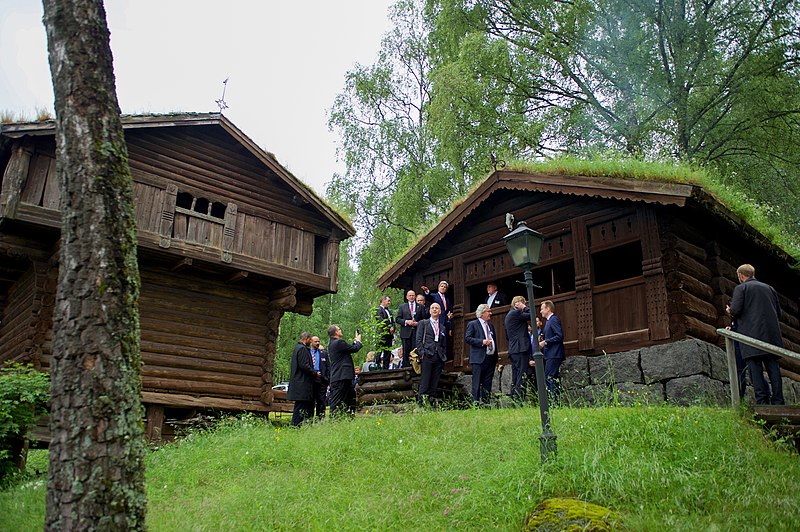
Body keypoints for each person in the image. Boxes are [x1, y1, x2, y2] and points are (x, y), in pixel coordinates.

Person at [728, 264, 784, 405]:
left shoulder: (741, 288)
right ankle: (778, 400)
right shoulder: (769, 289)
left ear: (741, 275)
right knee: (773, 368)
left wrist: (730, 311)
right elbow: (779, 313)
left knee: (755, 369)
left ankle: (762, 401)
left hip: (751, 336)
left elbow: (736, 310)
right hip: (771, 336)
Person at [465, 303, 498, 405]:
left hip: (490, 358)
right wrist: (482, 342)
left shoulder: (491, 326)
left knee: (488, 382)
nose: (490, 313)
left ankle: (486, 404)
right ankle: (475, 403)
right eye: (488, 311)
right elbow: (468, 338)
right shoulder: (473, 324)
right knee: (477, 382)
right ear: (482, 313)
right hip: (478, 358)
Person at [327, 324, 363, 416]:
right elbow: (354, 348)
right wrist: (358, 341)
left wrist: (355, 341)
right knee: (338, 399)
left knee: (348, 398)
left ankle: (345, 417)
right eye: (339, 329)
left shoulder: (333, 343)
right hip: (341, 376)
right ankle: (335, 418)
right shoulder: (339, 342)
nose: (340, 330)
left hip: (340, 376)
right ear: (336, 332)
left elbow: (349, 348)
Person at [416, 302, 447, 406]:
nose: (434, 310)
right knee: (425, 381)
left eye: (436, 308)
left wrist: (443, 354)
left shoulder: (442, 327)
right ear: (429, 311)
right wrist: (422, 353)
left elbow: (443, 343)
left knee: (434, 382)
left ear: (440, 311)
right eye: (432, 308)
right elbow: (419, 340)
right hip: (427, 355)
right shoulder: (423, 323)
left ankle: (431, 403)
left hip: (438, 357)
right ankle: (421, 404)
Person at [504, 295, 533, 402]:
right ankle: (519, 398)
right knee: (522, 373)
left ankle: (514, 397)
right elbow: (532, 315)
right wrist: (524, 307)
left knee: (515, 375)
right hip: (521, 348)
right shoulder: (516, 313)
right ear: (519, 303)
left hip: (513, 348)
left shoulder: (508, 315)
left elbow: (507, 335)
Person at [539, 300, 565, 404]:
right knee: (552, 377)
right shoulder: (548, 322)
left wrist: (546, 342)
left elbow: (559, 336)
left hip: (554, 353)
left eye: (542, 309)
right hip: (550, 353)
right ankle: (555, 401)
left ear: (548, 309)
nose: (540, 311)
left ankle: (554, 402)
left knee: (549, 377)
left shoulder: (553, 320)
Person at [287, 332, 316, 426]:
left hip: (299, 382)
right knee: (300, 406)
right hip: (302, 383)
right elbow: (304, 365)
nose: (310, 342)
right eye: (310, 340)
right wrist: (314, 372)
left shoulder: (297, 348)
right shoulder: (302, 349)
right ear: (306, 338)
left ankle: (298, 425)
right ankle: (295, 425)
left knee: (301, 406)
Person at [396, 289, 424, 368]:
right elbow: (397, 319)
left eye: (413, 295)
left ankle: (416, 367)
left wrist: (418, 323)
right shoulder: (402, 307)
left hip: (416, 332)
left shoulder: (420, 307)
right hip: (405, 332)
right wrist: (406, 322)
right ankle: (405, 367)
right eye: (410, 295)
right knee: (406, 351)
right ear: (407, 297)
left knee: (415, 350)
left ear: (415, 296)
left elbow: (424, 319)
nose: (411, 297)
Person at [309, 336, 330, 418]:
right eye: (315, 341)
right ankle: (309, 418)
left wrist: (327, 378)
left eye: (318, 341)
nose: (317, 343)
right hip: (311, 379)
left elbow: (328, 367)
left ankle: (320, 418)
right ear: (311, 342)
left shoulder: (323, 353)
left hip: (321, 380)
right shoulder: (307, 352)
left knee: (321, 400)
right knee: (310, 400)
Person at [375, 295, 395, 369]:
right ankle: (376, 365)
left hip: (389, 334)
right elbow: (381, 321)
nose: (389, 302)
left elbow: (393, 321)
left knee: (388, 352)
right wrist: (389, 327)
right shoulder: (378, 310)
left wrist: (393, 327)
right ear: (383, 301)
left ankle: (386, 367)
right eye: (388, 301)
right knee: (379, 351)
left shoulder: (389, 311)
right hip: (382, 334)